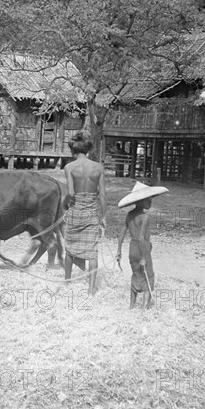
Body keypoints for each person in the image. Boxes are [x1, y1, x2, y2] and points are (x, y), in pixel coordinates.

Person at [63, 132, 106, 296]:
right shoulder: (98, 167)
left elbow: (71, 193)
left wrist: (64, 205)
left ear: (73, 151)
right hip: (91, 212)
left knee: (70, 249)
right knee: (92, 251)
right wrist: (103, 217)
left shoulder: (70, 167)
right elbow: (102, 195)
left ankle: (67, 281)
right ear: (88, 150)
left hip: (75, 211)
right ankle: (91, 289)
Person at [116, 181, 168, 309]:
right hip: (141, 248)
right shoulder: (144, 217)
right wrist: (144, 256)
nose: (150, 202)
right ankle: (145, 308)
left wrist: (119, 250)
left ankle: (131, 305)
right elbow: (141, 238)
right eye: (147, 200)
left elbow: (122, 233)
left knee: (136, 274)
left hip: (132, 249)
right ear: (140, 201)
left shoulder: (130, 215)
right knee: (149, 276)